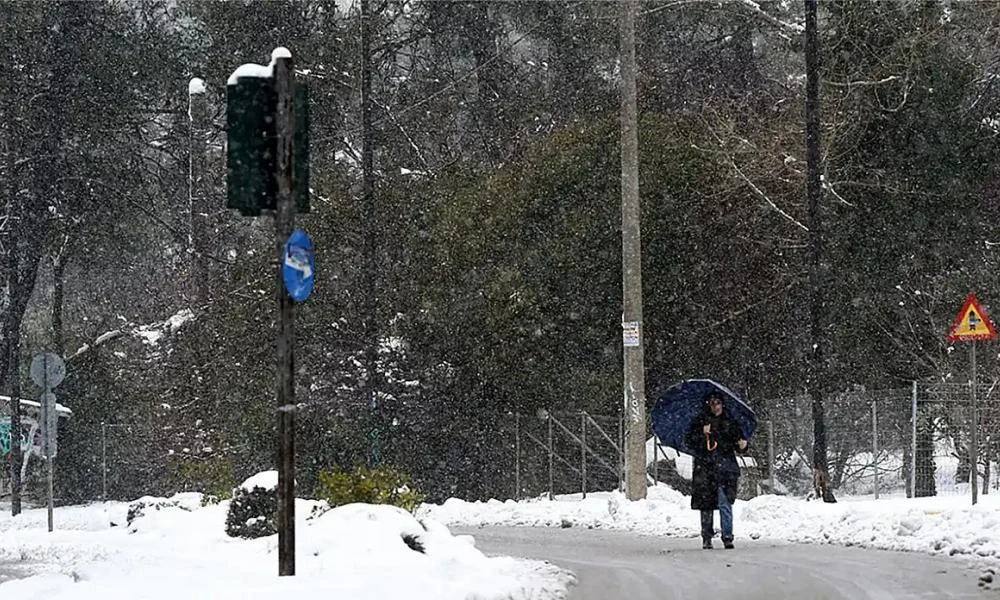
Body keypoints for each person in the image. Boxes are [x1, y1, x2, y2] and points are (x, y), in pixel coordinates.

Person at [685, 391, 748, 550]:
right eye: (712, 403)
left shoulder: (730, 422)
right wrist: (702, 434)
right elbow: (690, 442)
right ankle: (707, 537)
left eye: (718, 403)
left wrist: (743, 446)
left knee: (725, 502)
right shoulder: (700, 422)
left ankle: (727, 536)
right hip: (705, 469)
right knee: (706, 505)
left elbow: (739, 443)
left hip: (725, 470)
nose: (715, 406)